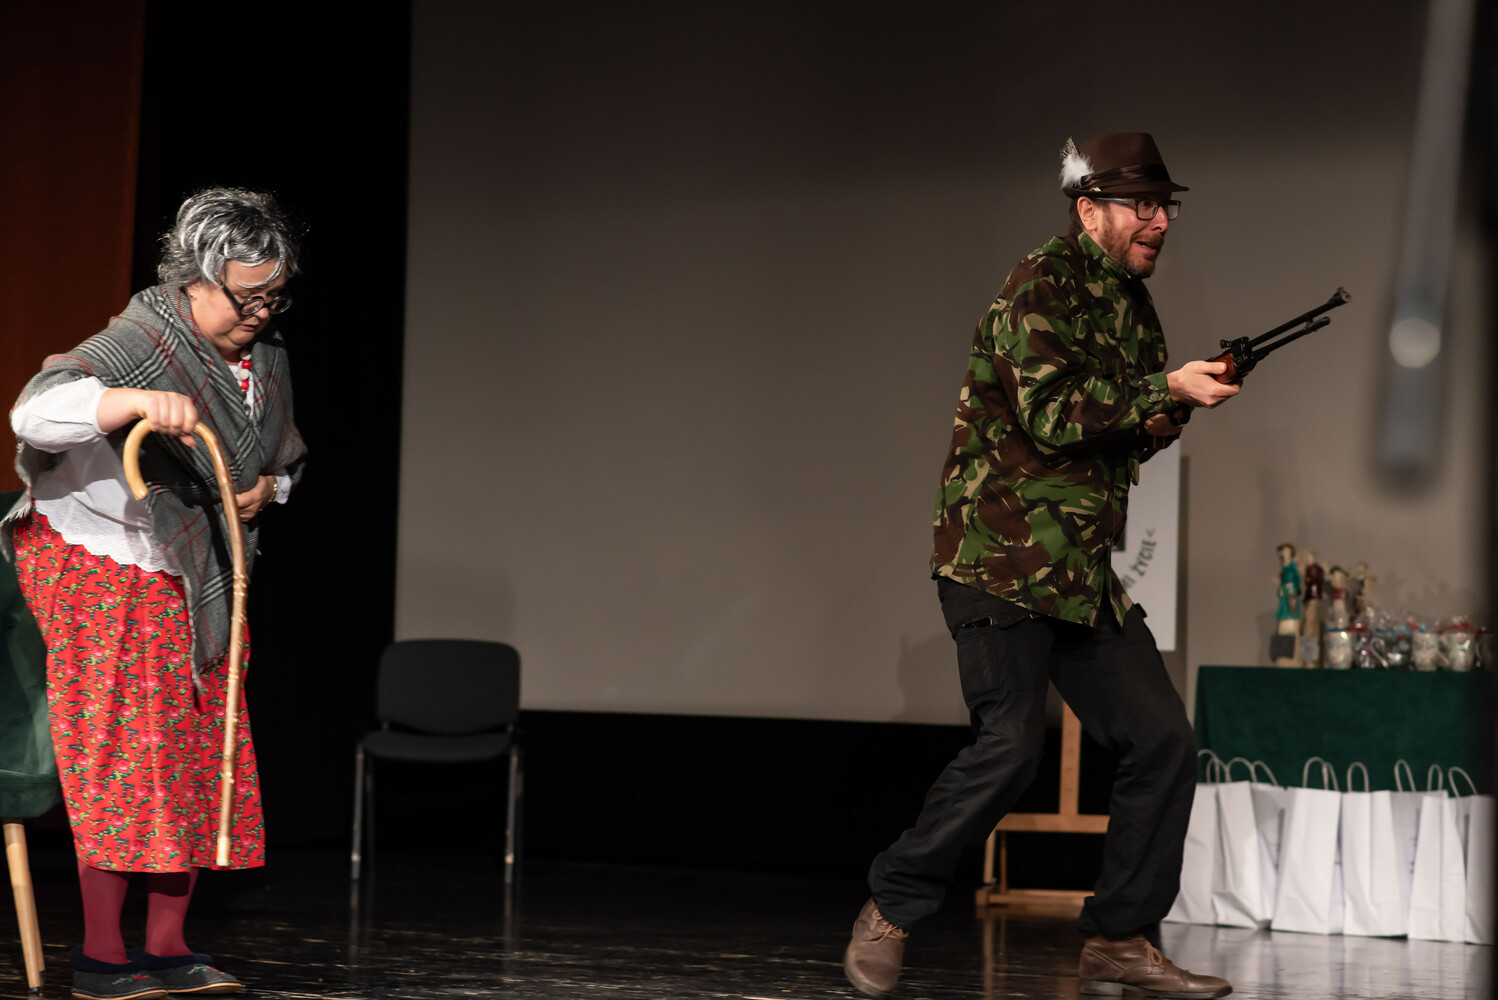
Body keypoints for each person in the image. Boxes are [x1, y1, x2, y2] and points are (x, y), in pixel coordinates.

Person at [841, 134, 1237, 999]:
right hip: (998, 558)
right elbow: (1053, 416)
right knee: (1012, 747)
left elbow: (1118, 433)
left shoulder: (1133, 306)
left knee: (1163, 742)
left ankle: (1119, 937)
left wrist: (1171, 411)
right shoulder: (1039, 283)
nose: (1160, 221)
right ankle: (892, 905)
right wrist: (1163, 390)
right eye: (1142, 205)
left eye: (1166, 206)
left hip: (1078, 574)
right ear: (1090, 209)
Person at [3, 188, 306, 1000]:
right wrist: (133, 401)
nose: (261, 314)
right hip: (103, 565)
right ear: (196, 281)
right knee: (122, 753)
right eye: (247, 297)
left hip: (198, 567)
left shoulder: (265, 356)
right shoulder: (141, 340)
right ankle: (102, 956)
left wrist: (268, 489)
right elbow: (34, 412)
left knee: (200, 747)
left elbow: (278, 456)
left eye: (275, 297)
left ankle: (169, 947)